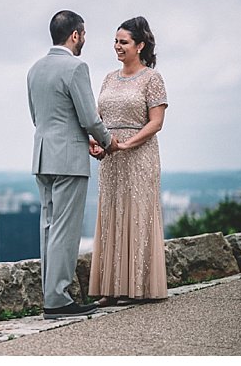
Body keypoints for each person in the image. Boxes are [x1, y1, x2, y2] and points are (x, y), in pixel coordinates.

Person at [27, 10, 118, 319]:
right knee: (65, 230)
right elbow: (88, 117)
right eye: (83, 35)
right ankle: (58, 299)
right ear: (75, 34)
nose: (84, 41)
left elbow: (37, 117)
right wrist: (107, 141)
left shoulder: (35, 69)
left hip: (43, 156)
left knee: (49, 227)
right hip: (68, 160)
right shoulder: (76, 67)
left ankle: (50, 295)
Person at [88, 16, 169, 306]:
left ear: (140, 45)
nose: (117, 47)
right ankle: (109, 289)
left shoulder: (152, 78)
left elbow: (156, 123)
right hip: (111, 157)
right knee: (111, 214)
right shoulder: (109, 78)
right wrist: (95, 143)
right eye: (116, 41)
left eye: (123, 42)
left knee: (137, 213)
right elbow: (97, 118)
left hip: (139, 155)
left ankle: (138, 287)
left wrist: (125, 145)